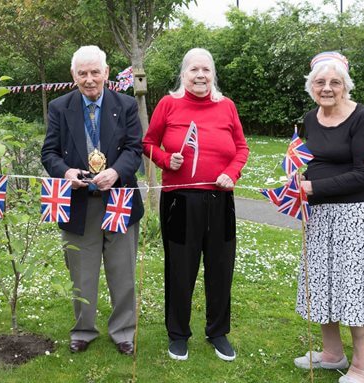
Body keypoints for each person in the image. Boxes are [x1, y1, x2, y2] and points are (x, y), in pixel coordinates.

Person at [143, 48, 249, 361]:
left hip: (220, 198)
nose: (200, 75)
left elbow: (241, 147)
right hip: (179, 199)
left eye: (206, 70)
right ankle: (178, 334)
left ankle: (217, 332)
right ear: (184, 74)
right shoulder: (169, 104)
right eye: (194, 70)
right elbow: (148, 142)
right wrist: (165, 159)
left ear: (213, 74)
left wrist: (231, 172)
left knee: (220, 266)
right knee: (180, 268)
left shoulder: (226, 106)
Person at [291, 51, 364, 383]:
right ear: (311, 86)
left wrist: (312, 187)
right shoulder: (309, 117)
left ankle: (362, 367)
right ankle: (332, 353)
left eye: (335, 82)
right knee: (320, 284)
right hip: (319, 213)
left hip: (358, 215)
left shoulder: (363, 118)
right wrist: (297, 184)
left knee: (354, 289)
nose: (328, 88)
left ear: (346, 85)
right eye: (320, 82)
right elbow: (310, 161)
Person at [41, 45, 143, 355]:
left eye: (95, 72)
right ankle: (84, 330)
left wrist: (115, 172)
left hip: (119, 200)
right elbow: (49, 153)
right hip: (77, 203)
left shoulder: (125, 105)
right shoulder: (59, 107)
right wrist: (65, 171)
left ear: (106, 73)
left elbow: (134, 149)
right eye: (82, 73)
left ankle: (124, 331)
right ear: (73, 75)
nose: (89, 79)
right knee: (82, 274)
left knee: (122, 271)